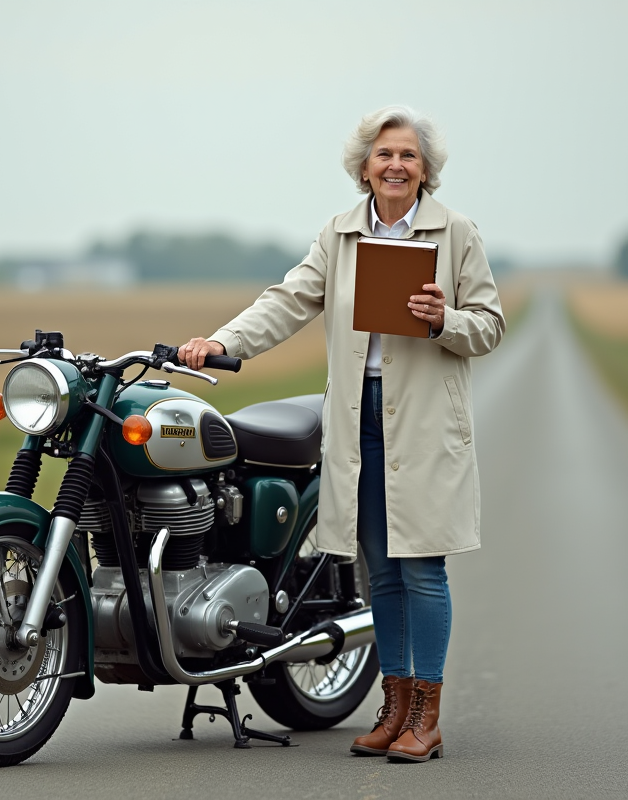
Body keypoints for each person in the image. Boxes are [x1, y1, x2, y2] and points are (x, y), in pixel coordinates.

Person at [180, 105, 504, 763]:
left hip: (425, 422)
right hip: (359, 419)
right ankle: (393, 710)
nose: (396, 165)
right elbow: (287, 301)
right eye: (385, 155)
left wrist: (446, 321)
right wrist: (221, 342)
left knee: (423, 568)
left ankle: (428, 718)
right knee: (379, 571)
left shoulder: (456, 233)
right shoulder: (339, 235)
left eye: (409, 155)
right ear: (364, 168)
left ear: (425, 171)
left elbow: (490, 326)